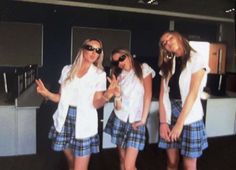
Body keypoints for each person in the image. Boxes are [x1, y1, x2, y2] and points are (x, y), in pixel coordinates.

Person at [35, 38, 116, 170]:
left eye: (98, 50)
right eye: (90, 48)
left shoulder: (99, 74)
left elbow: (96, 103)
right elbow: (60, 98)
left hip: (84, 122)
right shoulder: (67, 70)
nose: (94, 52)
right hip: (64, 118)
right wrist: (47, 94)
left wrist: (107, 95)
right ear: (82, 49)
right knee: (71, 161)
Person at [158, 31, 209, 170]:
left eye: (169, 38)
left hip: (189, 115)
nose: (167, 42)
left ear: (179, 37)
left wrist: (179, 124)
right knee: (172, 162)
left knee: (189, 164)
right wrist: (163, 122)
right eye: (164, 43)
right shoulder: (168, 63)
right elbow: (163, 95)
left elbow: (192, 94)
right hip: (170, 114)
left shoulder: (196, 58)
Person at [104, 48, 155, 170]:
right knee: (122, 160)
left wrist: (143, 119)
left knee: (129, 165)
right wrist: (116, 95)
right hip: (120, 118)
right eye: (116, 62)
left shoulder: (143, 68)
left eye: (121, 58)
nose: (120, 63)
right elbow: (118, 106)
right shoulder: (119, 77)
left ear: (128, 55)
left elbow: (148, 95)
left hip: (136, 122)